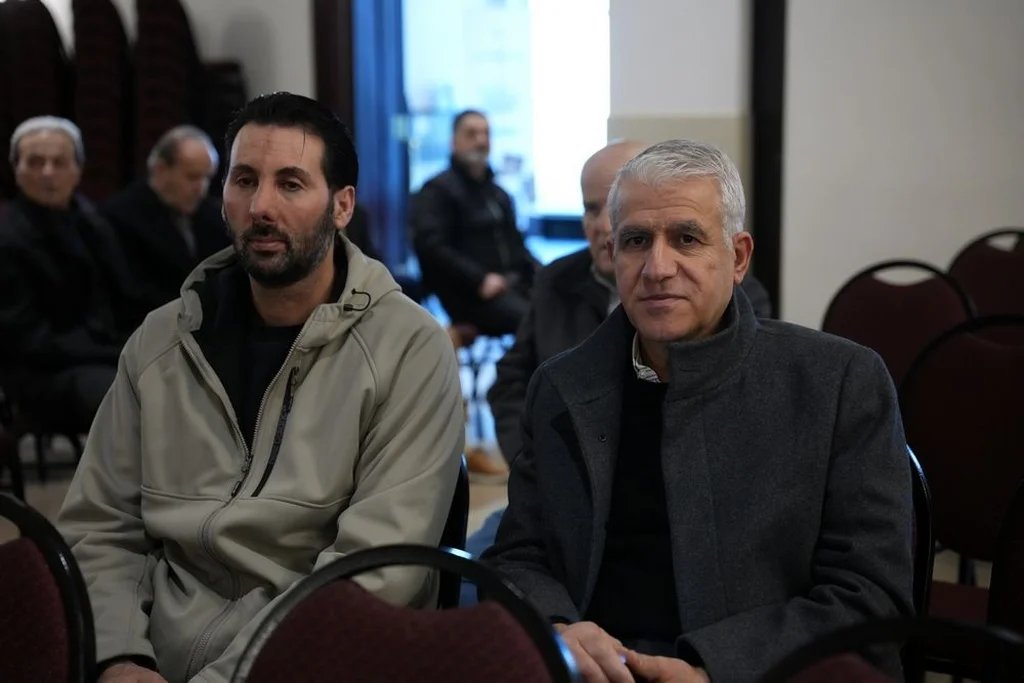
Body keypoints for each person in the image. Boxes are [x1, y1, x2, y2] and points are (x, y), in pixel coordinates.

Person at [58, 92, 465, 683]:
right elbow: (99, 526)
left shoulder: (408, 348)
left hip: (314, 663)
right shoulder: (162, 340)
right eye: (244, 180)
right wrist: (119, 658)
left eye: (291, 184)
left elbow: (373, 574)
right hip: (149, 656)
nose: (260, 207)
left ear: (342, 206)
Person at [483, 139, 913, 682]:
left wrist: (713, 669)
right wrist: (558, 627)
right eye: (636, 241)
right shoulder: (562, 386)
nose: (657, 268)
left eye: (686, 239)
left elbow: (870, 595)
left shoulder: (839, 383)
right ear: (613, 253)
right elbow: (519, 557)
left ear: (738, 258)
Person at [0, 116, 137, 433]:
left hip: (101, 355)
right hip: (42, 372)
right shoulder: (8, 238)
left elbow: (127, 298)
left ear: (78, 169)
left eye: (59, 162)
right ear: (16, 170)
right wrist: (113, 354)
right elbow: (26, 339)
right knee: (124, 396)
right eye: (35, 162)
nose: (48, 172)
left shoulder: (95, 223)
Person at [410, 109, 538, 336]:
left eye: (486, 133)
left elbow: (517, 247)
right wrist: (479, 280)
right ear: (453, 142)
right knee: (536, 320)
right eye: (471, 134)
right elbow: (432, 248)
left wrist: (547, 274)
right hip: (469, 294)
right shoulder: (437, 191)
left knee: (562, 304)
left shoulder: (499, 195)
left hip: (512, 285)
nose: (481, 141)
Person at [102, 125, 230, 322]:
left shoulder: (212, 215)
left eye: (207, 178)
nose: (201, 188)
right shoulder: (120, 218)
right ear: (160, 169)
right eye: (192, 177)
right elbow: (130, 294)